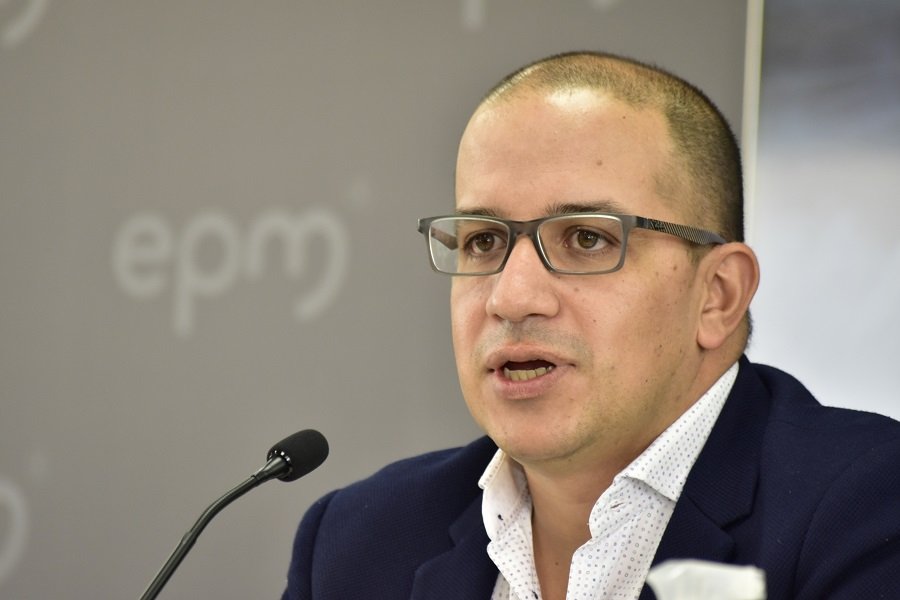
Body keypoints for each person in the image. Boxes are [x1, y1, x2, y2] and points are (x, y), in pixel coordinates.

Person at [282, 51, 900, 600]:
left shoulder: (868, 512)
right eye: (484, 241)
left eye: (585, 238)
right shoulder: (359, 542)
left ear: (718, 295)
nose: (511, 297)